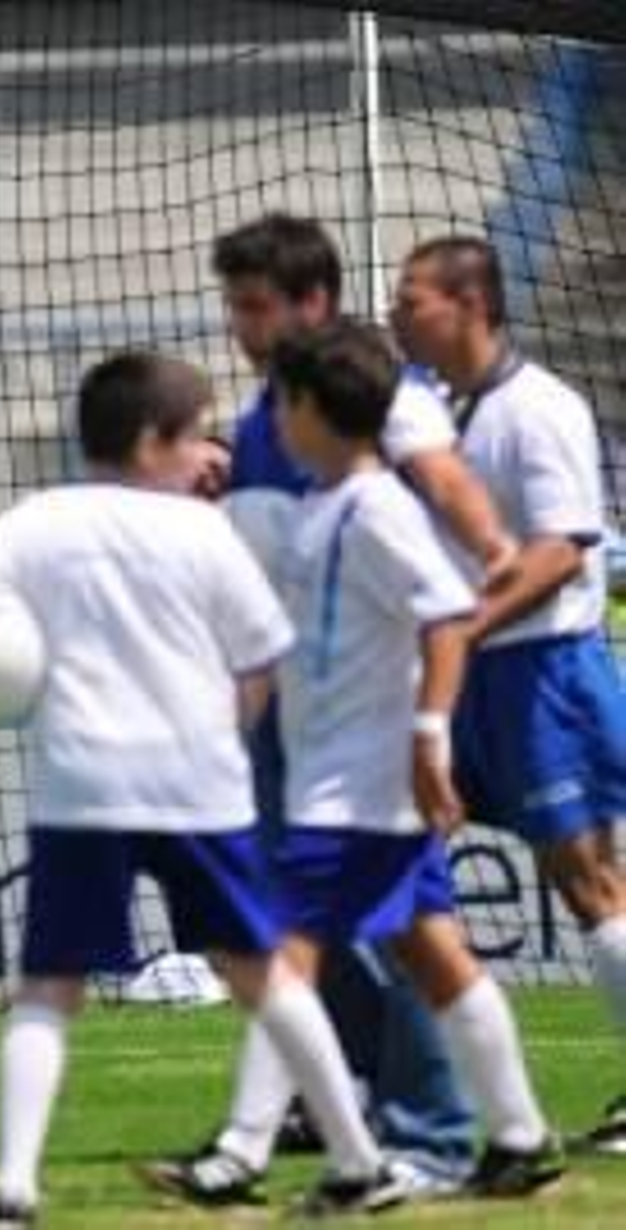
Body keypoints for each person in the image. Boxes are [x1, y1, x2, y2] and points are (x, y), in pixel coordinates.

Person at [0, 352, 399, 1227]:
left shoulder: (46, 519)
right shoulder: (207, 533)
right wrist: (230, 726)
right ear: (149, 441)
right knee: (263, 974)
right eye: (195, 434)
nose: (209, 453)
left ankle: (11, 1190)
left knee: (49, 987)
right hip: (198, 783)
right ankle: (358, 1162)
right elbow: (262, 660)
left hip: (83, 784)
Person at [142, 319, 564, 1207]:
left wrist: (430, 736)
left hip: (360, 786)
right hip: (342, 779)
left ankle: (270, 1157)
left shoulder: (377, 509)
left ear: (313, 409)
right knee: (433, 951)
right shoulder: (325, 508)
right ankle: (522, 1136)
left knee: (280, 955)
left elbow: (447, 617)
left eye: (282, 404)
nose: (272, 424)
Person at [206, 212, 509, 1193]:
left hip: (366, 719)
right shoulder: (269, 411)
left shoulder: (382, 398)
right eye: (234, 307)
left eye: (256, 307)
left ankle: (419, 1127)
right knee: (349, 925)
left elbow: (443, 478)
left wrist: (495, 557)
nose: (241, 326)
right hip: (296, 707)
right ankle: (365, 1103)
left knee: (380, 928)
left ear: (312, 303)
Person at [393, 235, 626, 1153]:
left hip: (543, 673)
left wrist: (465, 626)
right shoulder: (436, 408)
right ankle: (370, 1090)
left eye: (414, 297)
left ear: (471, 305)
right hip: (473, 671)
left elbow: (563, 548)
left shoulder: (539, 408)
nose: (397, 311)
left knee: (589, 882)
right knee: (391, 861)